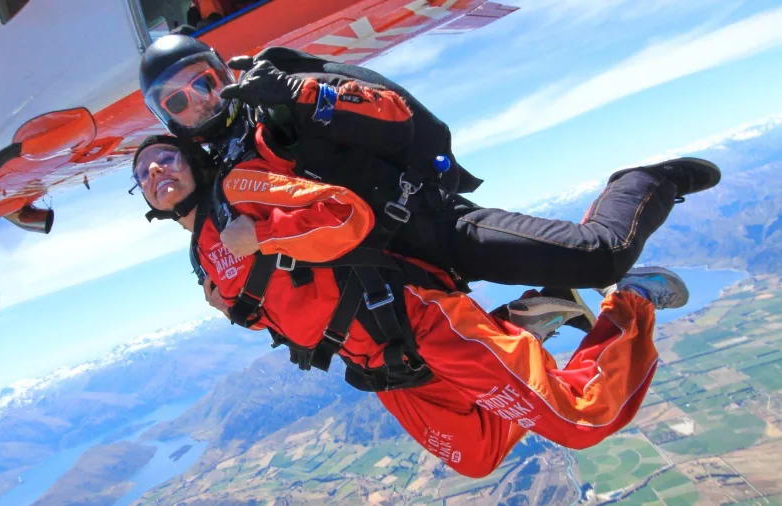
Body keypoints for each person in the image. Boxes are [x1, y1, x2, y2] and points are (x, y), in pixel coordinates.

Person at [130, 135, 689, 478]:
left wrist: (265, 234)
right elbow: (285, 306)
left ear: (192, 161)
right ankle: (529, 318)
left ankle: (629, 303)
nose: (154, 171)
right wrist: (236, 308)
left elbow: (344, 215)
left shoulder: (240, 189)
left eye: (162, 157)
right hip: (383, 365)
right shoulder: (203, 260)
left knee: (584, 421)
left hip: (412, 318)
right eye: (142, 174)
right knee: (476, 455)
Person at [137, 34, 722, 295]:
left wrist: (299, 93)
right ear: (171, 122)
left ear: (222, 70)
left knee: (601, 257)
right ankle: (547, 302)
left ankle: (647, 182)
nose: (200, 101)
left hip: (434, 225)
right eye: (178, 102)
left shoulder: (277, 97)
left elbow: (394, 117)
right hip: (390, 272)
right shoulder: (222, 172)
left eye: (204, 82)